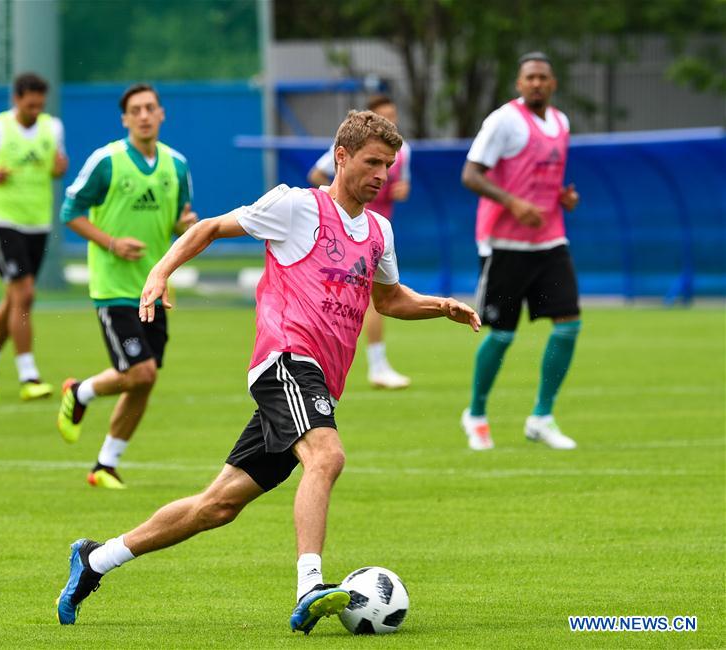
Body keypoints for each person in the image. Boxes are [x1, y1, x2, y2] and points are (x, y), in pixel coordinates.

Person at [55, 111, 480, 631]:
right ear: (341, 156)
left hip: (318, 381)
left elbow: (390, 300)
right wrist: (161, 271)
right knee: (327, 456)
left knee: (217, 507)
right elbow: (210, 227)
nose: (381, 175)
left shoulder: (378, 231)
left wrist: (440, 306)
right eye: (372, 162)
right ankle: (311, 588)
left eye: (388, 165)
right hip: (284, 360)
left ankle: (95, 560)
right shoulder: (297, 206)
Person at [56, 84, 197, 489]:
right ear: (124, 119)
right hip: (113, 286)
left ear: (162, 114)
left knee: (144, 379)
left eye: (150, 108)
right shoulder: (107, 161)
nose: (144, 115)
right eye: (135, 110)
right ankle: (81, 392)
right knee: (141, 372)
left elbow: (175, 222)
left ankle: (105, 464)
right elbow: (71, 211)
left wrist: (183, 226)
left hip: (153, 287)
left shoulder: (177, 165)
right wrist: (112, 243)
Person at [459, 52, 581, 451]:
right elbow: (471, 175)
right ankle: (475, 413)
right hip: (504, 244)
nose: (536, 83)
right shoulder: (503, 121)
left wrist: (564, 196)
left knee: (568, 324)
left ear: (553, 83)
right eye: (529, 77)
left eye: (543, 77)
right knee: (503, 335)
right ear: (519, 83)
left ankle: (542, 417)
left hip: (549, 240)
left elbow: (547, 176)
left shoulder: (561, 123)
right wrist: (513, 203)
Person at [0, 72, 68, 403]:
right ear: (16, 99)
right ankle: (28, 376)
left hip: (37, 221)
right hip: (2, 220)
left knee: (15, 298)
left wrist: (59, 167)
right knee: (24, 293)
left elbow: (56, 168)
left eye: (40, 105)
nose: (35, 110)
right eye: (30, 104)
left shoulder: (53, 128)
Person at [308, 94, 412, 389]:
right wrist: (327, 203)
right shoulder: (350, 147)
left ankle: (369, 365)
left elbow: (402, 186)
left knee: (369, 299)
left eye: (393, 116)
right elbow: (317, 173)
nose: (391, 121)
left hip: (376, 232)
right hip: (342, 232)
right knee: (364, 299)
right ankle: (375, 367)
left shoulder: (404, 152)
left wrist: (401, 189)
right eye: (384, 116)